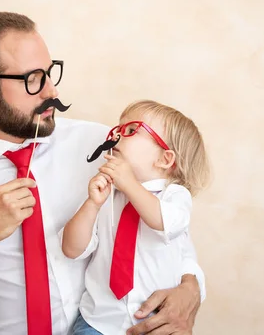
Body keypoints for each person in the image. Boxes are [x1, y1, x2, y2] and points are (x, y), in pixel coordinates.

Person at [0, 12, 206, 335]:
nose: (52, 92)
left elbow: (166, 227)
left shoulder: (104, 145)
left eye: (50, 73)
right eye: (33, 79)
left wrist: (191, 287)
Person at [62, 100, 211, 334]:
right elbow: (72, 249)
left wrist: (129, 183)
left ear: (165, 159)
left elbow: (165, 224)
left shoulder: (174, 196)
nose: (118, 135)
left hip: (155, 324)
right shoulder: (108, 196)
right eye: (118, 129)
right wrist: (92, 204)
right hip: (97, 321)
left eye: (131, 130)